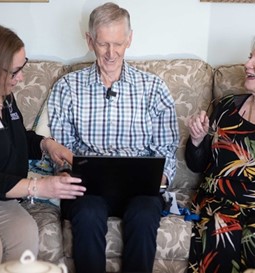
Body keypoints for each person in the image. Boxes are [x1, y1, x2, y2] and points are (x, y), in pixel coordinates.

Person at [47, 2, 179, 273]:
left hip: (140, 190)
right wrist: (63, 171)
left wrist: (160, 177)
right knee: (87, 212)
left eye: (118, 43)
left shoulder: (153, 88)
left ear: (129, 39)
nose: (111, 53)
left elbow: (166, 151)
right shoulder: (68, 87)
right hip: (88, 190)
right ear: (90, 40)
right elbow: (62, 149)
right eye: (103, 44)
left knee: (144, 215)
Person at [0, 24, 86, 273]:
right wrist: (39, 186)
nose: (21, 77)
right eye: (15, 71)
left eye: (22, 67)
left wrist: (47, 145)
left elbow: (18, 137)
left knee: (24, 240)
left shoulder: (4, 95)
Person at [185, 29, 255, 273]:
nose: (247, 64)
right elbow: (198, 166)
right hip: (219, 201)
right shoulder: (226, 108)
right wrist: (197, 140)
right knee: (221, 230)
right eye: (250, 57)